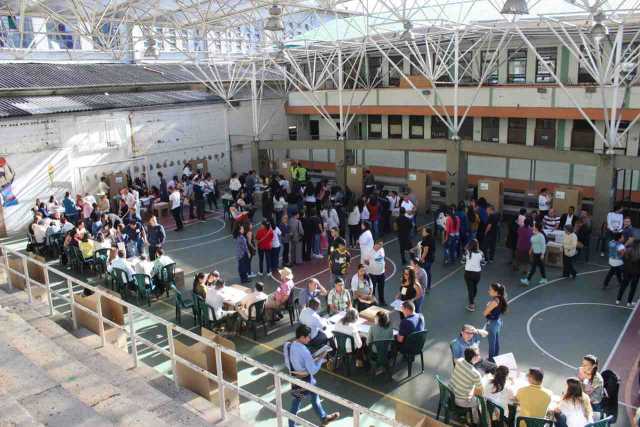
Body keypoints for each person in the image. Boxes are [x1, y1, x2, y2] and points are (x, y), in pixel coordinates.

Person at [283, 325, 340, 427]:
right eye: (308, 337)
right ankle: (322, 418)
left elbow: (288, 363)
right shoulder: (304, 351)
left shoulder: (287, 345)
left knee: (301, 398)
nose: (309, 339)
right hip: (305, 380)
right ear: (302, 337)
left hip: (294, 378)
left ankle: (322, 418)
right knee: (301, 399)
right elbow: (312, 370)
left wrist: (298, 369)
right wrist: (321, 359)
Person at [451, 348, 484, 422]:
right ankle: (476, 421)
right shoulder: (476, 374)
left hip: (452, 393)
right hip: (461, 400)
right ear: (473, 358)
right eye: (478, 355)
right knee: (478, 401)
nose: (480, 356)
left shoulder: (459, 361)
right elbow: (480, 392)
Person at [483, 282, 507, 360]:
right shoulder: (500, 298)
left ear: (496, 292)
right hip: (497, 322)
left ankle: (491, 359)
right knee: (496, 341)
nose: (488, 291)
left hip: (492, 323)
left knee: (492, 343)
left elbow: (484, 313)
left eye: (490, 290)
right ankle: (496, 357)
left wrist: (488, 307)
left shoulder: (494, 301)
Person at [463, 239, 484, 312]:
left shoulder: (467, 252)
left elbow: (462, 261)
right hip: (477, 274)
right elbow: (483, 263)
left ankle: (471, 305)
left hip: (468, 273)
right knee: (474, 286)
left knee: (470, 289)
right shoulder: (481, 253)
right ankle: (472, 297)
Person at [618, 238, 640, 306]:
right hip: (636, 272)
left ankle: (618, 299)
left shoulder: (627, 250)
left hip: (627, 271)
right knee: (633, 288)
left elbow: (623, 259)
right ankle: (629, 302)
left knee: (623, 285)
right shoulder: (639, 252)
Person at [365, 239, 387, 306]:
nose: (381, 246)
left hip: (381, 273)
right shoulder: (369, 251)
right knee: (373, 289)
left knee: (381, 288)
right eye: (380, 244)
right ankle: (373, 302)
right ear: (375, 244)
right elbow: (366, 261)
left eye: (382, 245)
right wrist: (371, 267)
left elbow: (383, 258)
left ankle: (382, 300)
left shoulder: (382, 249)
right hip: (373, 274)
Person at [418, 227, 435, 291]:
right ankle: (428, 286)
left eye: (424, 231)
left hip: (426, 259)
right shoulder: (432, 238)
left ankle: (423, 286)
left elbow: (425, 250)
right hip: (431, 258)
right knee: (428, 272)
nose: (422, 232)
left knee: (423, 272)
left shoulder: (426, 240)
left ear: (427, 232)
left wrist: (421, 259)